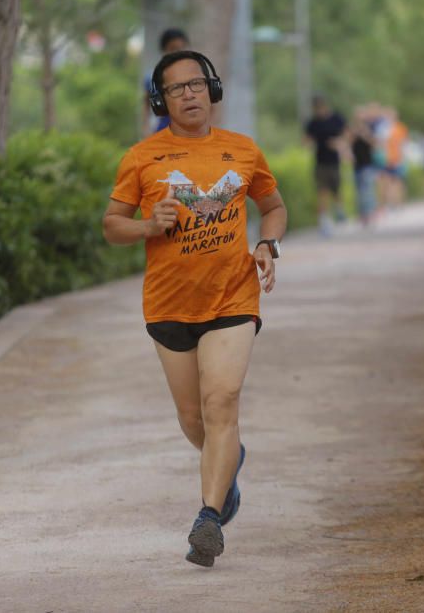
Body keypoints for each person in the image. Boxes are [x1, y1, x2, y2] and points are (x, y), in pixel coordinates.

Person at [103, 49, 287, 567]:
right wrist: (145, 225)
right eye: (177, 87)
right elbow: (112, 225)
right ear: (161, 99)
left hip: (233, 295)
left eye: (197, 84)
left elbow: (272, 207)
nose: (190, 94)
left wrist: (267, 246)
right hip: (168, 305)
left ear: (213, 90)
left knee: (221, 400)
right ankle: (227, 464)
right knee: (193, 419)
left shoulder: (243, 150)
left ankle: (208, 519)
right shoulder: (141, 157)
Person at [303, 94, 346, 236]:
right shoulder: (313, 123)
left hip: (335, 161)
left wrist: (339, 142)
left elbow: (347, 134)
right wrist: (308, 143)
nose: (319, 110)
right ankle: (324, 221)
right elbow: (306, 140)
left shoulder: (336, 119)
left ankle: (339, 210)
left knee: (336, 190)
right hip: (320, 162)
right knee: (322, 192)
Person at [141, 28, 190, 137]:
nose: (178, 53)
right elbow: (146, 103)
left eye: (182, 48)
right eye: (173, 48)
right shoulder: (152, 77)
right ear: (164, 50)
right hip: (162, 131)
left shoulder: (193, 75)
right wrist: (146, 127)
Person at [348, 104, 379, 226]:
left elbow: (374, 144)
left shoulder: (369, 128)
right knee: (359, 191)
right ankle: (362, 214)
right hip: (356, 165)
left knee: (368, 190)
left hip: (367, 164)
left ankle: (370, 213)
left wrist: (365, 134)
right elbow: (348, 143)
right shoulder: (352, 129)